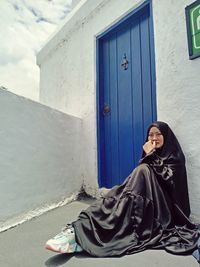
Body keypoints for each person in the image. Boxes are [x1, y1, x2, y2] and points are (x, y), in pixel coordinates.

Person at [45, 121, 199, 256]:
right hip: (145, 200)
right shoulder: (152, 155)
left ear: (166, 136)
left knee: (139, 175)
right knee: (119, 200)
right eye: (150, 135)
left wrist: (150, 156)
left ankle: (80, 233)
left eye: (158, 134)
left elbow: (169, 182)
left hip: (164, 209)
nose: (153, 138)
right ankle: (78, 233)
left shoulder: (175, 157)